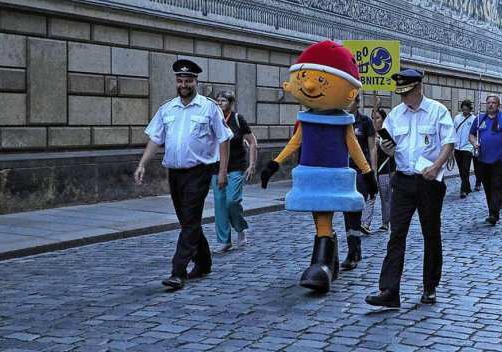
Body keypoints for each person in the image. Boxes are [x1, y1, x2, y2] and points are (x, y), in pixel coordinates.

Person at [260, 40, 377, 294]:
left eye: (322, 81)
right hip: (312, 176)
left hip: (336, 177)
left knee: (330, 213)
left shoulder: (343, 122)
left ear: (349, 91)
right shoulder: (306, 120)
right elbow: (294, 142)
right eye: (304, 78)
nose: (310, 85)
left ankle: (324, 261)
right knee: (321, 218)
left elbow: (354, 147)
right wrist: (274, 164)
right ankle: (326, 261)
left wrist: (367, 172)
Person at [135, 59, 233, 290]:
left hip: (198, 172)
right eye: (180, 81)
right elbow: (155, 139)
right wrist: (142, 164)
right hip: (175, 174)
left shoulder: (209, 107)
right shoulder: (167, 108)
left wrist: (222, 171)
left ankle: (178, 271)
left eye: (188, 80)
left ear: (196, 82)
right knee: (187, 220)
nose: (183, 84)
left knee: (189, 220)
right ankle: (205, 261)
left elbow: (224, 138)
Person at [366, 69, 456, 309]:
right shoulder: (395, 115)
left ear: (419, 88)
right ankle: (389, 290)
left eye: (407, 93)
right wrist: (386, 148)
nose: (404, 98)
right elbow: (391, 150)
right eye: (401, 94)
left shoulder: (438, 111)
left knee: (431, 234)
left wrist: (436, 167)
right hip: (403, 181)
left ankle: (430, 287)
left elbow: (449, 142)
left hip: (429, 182)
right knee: (396, 235)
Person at [212, 91, 258, 253]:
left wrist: (251, 164)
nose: (220, 103)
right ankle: (224, 241)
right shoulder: (213, 118)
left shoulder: (238, 119)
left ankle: (240, 227)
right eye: (217, 100)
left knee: (232, 201)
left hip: (237, 167)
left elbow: (252, 142)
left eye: (223, 100)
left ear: (231, 104)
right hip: (216, 167)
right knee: (220, 204)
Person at [469, 95, 502, 226]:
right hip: (483, 160)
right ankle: (491, 211)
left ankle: (494, 214)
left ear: (498, 105)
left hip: (500, 160)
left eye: (493, 103)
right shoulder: (479, 119)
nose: (491, 105)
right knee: (487, 187)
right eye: (488, 102)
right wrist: (474, 142)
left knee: (497, 185)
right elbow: (471, 135)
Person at [341, 94, 377, 271]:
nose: (347, 104)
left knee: (354, 211)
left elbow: (372, 148)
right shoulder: (339, 120)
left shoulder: (365, 122)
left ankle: (353, 252)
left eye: (351, 101)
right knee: (347, 213)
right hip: (343, 172)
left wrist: (373, 173)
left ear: (358, 103)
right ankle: (353, 249)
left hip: (360, 172)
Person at [452, 99, 477, 198]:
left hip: (468, 146)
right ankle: (467, 186)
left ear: (470, 109)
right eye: (463, 109)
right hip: (458, 146)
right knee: (461, 169)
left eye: (466, 109)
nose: (464, 111)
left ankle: (463, 190)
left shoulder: (474, 119)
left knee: (465, 168)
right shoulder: (457, 118)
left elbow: (475, 133)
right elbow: (453, 131)